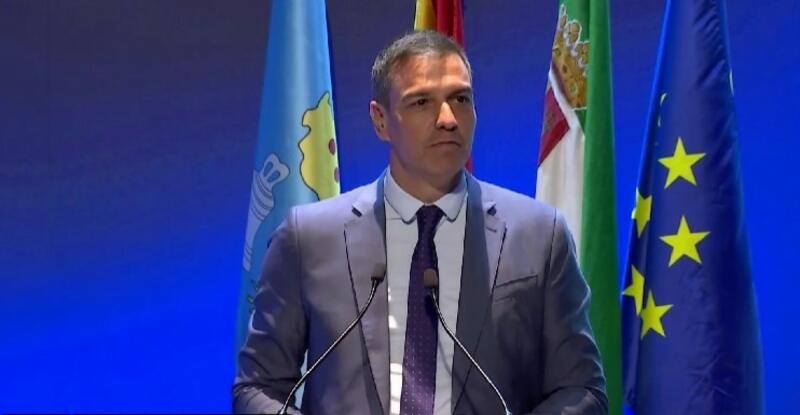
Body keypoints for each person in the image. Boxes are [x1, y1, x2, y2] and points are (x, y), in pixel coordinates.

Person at [233, 30, 607, 415]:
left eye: (460, 99)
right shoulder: (309, 238)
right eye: (422, 102)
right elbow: (256, 388)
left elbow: (582, 390)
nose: (447, 119)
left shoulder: (539, 235)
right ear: (380, 120)